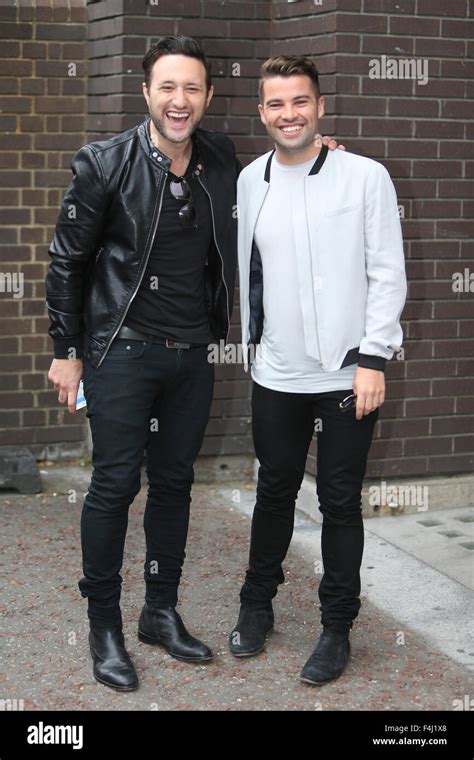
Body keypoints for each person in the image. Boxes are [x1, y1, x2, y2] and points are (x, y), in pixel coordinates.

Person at [45, 34, 344, 691]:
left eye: (192, 89)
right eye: (167, 88)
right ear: (146, 93)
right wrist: (66, 351)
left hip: (191, 355)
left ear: (208, 97)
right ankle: (104, 627)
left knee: (175, 484)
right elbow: (66, 260)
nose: (179, 101)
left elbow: (274, 186)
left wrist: (326, 163)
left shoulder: (218, 157)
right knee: (116, 484)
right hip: (120, 350)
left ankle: (159, 610)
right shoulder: (103, 163)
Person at [230, 55, 407, 686]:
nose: (289, 114)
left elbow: (387, 273)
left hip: (346, 376)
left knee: (338, 503)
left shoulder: (365, 177)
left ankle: (336, 629)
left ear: (320, 106)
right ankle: (257, 607)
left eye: (299, 101)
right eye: (276, 104)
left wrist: (373, 358)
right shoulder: (250, 179)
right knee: (273, 493)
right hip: (277, 374)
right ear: (262, 112)